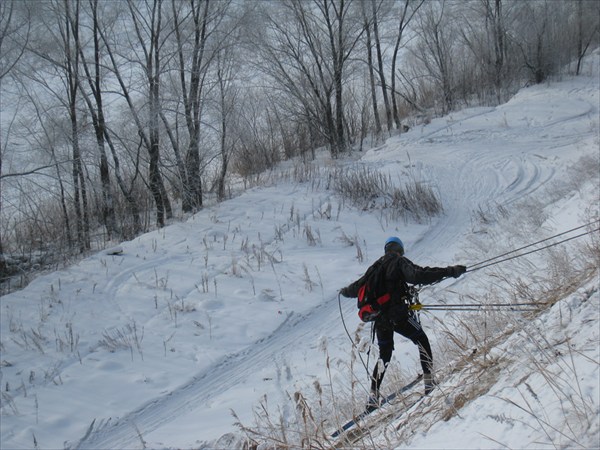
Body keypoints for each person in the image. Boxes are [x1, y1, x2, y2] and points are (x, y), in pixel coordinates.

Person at [339, 236, 466, 403]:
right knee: (421, 339)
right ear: (399, 250)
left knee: (384, 356)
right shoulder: (398, 262)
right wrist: (449, 271)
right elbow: (418, 275)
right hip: (398, 315)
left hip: (379, 319)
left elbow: (355, 288)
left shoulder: (374, 268)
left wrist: (343, 291)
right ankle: (429, 383)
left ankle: (373, 396)